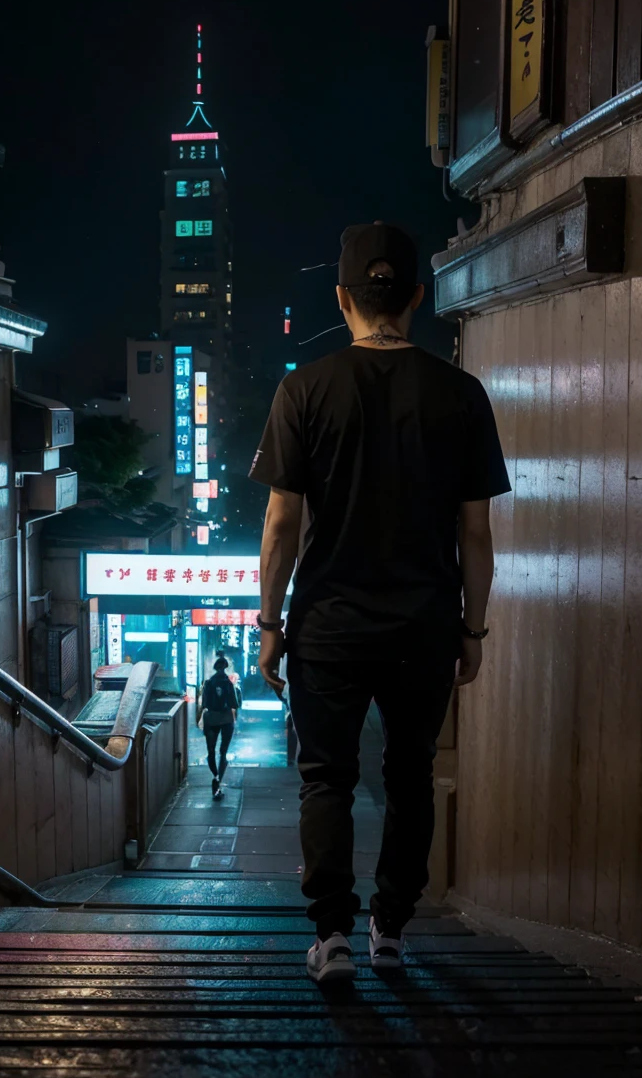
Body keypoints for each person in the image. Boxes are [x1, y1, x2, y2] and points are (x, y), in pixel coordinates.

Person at [250, 223, 508, 984]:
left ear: (343, 297)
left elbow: (281, 523)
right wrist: (473, 628)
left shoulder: (304, 388)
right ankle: (390, 928)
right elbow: (476, 531)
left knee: (326, 775)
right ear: (418, 299)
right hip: (424, 625)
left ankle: (329, 935)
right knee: (410, 773)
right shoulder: (461, 394)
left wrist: (269, 624)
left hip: (327, 624)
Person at [199, 654, 242, 797]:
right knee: (223, 752)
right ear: (225, 668)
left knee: (210, 751)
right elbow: (235, 704)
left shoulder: (209, 683)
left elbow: (204, 703)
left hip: (211, 718)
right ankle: (218, 781)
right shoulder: (229, 684)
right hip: (226, 718)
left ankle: (215, 775)